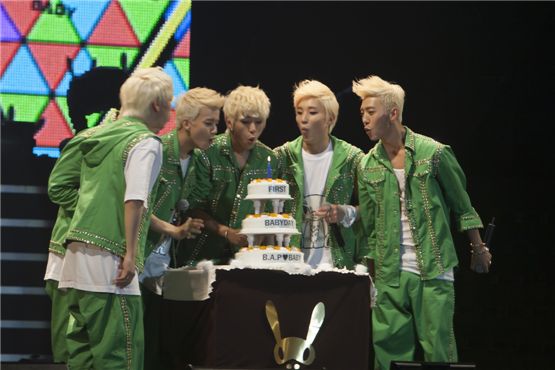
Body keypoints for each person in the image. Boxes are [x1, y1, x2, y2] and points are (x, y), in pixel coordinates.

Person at [353, 75, 492, 369]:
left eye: (370, 112)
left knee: (438, 350)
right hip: (389, 273)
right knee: (388, 351)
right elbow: (368, 229)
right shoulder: (366, 165)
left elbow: (462, 206)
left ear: (392, 113)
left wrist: (478, 249)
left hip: (434, 266)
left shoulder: (434, 153)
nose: (364, 119)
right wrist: (369, 277)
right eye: (362, 113)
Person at [58, 67, 173, 370]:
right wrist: (131, 255)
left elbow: (67, 188)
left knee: (83, 352)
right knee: (120, 353)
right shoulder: (145, 142)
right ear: (157, 105)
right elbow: (135, 199)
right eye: (170, 102)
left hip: (75, 252)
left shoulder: (96, 136)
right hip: (110, 255)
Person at [140, 87, 225, 370]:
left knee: (160, 343)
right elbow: (138, 208)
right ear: (187, 122)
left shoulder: (199, 160)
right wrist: (173, 230)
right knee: (141, 341)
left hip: (164, 262)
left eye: (217, 124)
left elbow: (184, 204)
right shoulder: (158, 151)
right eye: (209, 123)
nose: (215, 131)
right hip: (141, 255)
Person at [177, 85, 281, 266]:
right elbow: (191, 206)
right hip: (201, 256)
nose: (253, 129)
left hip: (248, 259)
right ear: (230, 121)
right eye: (246, 122)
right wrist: (225, 231)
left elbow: (274, 209)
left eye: (259, 122)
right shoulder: (206, 152)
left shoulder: (270, 159)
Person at [45, 109, 118, 363]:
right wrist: (96, 211)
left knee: (92, 345)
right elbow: (58, 187)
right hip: (71, 248)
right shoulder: (89, 139)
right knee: (70, 344)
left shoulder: (136, 142)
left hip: (102, 249)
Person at [274, 79, 365, 269]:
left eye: (312, 112)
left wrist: (345, 212)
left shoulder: (351, 158)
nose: (303, 119)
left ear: (330, 118)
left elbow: (372, 208)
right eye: (299, 112)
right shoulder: (283, 156)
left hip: (336, 265)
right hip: (290, 264)